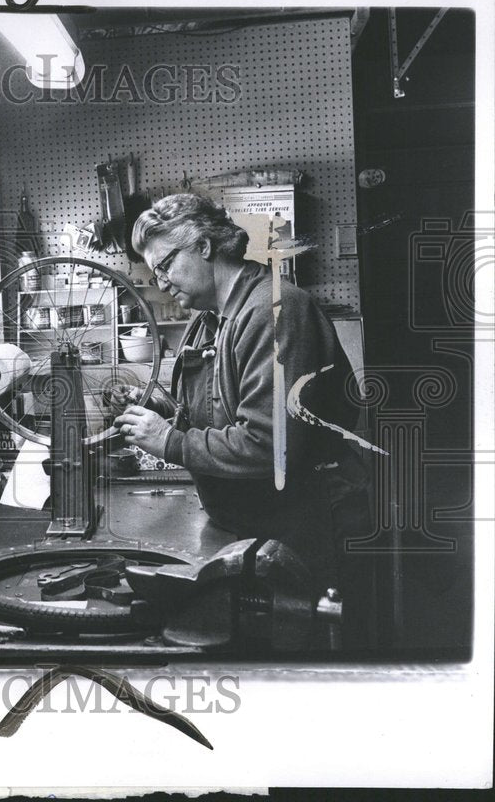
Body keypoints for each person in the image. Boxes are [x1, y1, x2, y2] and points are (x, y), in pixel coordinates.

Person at [111, 193, 371, 623]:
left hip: (304, 529)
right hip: (251, 525)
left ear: (204, 246)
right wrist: (159, 407)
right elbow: (219, 412)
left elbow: (270, 444)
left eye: (164, 266)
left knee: (298, 660)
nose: (160, 283)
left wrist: (170, 441)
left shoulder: (276, 311)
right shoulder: (212, 319)